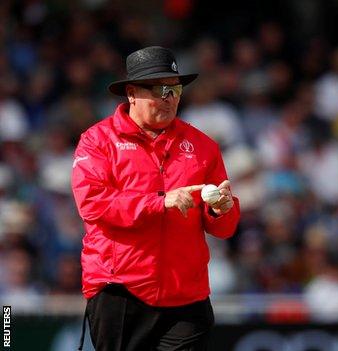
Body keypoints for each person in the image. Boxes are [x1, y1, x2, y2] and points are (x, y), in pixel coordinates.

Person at [71, 46, 240, 350]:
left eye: (175, 90)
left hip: (186, 294)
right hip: (121, 288)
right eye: (160, 89)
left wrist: (221, 210)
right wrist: (159, 202)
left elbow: (223, 228)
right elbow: (92, 204)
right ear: (132, 93)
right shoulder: (97, 141)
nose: (170, 98)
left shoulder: (203, 146)